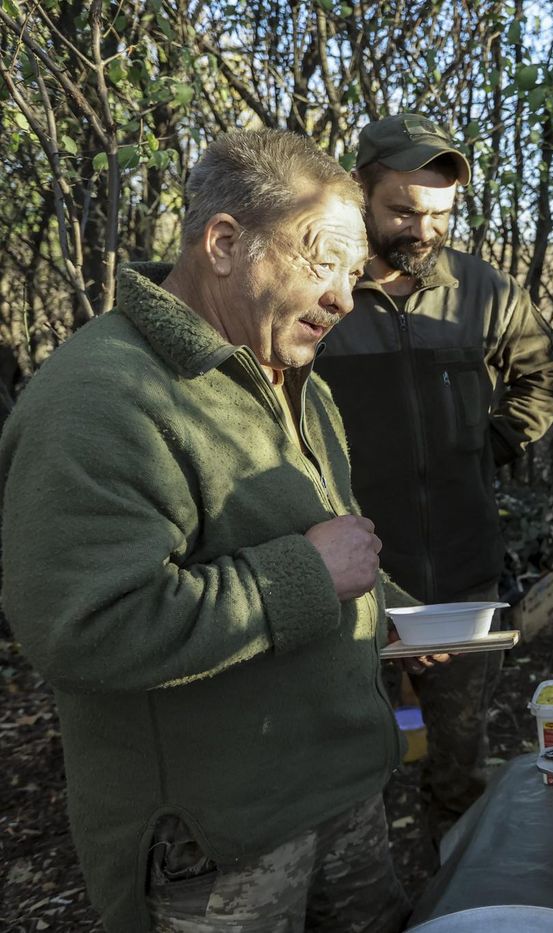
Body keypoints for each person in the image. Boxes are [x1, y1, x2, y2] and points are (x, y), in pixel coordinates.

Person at [0, 130, 412, 932]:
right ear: (224, 244)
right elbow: (85, 627)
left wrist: (392, 610)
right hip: (219, 844)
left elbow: (318, 540)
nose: (344, 297)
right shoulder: (99, 399)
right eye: (321, 260)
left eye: (354, 274)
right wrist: (306, 576)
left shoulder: (291, 376)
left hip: (341, 789)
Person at [316, 113, 553, 831]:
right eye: (402, 208)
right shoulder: (320, 297)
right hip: (348, 585)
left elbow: (546, 371)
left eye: (441, 213)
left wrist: (487, 445)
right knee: (345, 785)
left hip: (461, 575)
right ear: (357, 192)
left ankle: (453, 896)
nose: (423, 230)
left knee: (459, 773)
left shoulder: (481, 292)